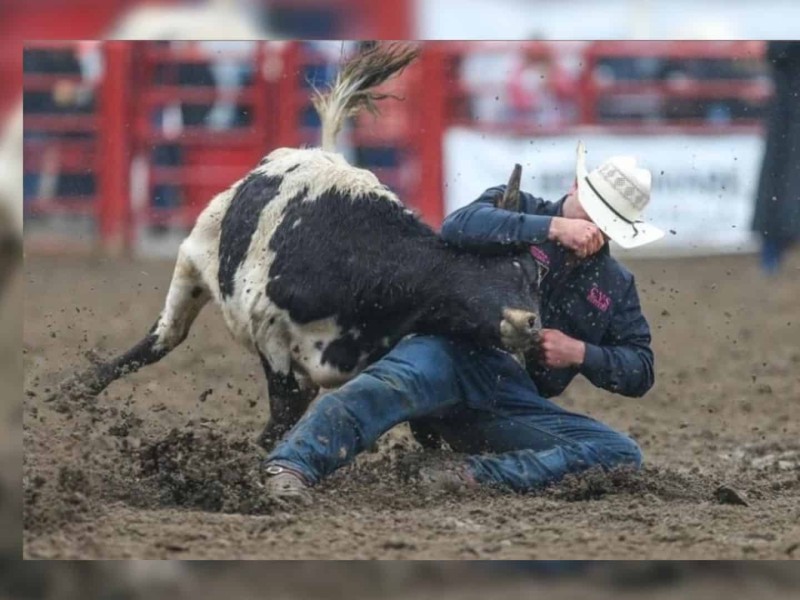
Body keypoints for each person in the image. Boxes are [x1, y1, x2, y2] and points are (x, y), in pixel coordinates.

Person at [262, 142, 664, 502]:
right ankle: (292, 465)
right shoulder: (518, 209)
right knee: (381, 389)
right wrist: (554, 228)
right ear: (575, 189)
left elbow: (639, 369)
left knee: (620, 453)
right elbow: (459, 225)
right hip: (450, 351)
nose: (594, 228)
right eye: (591, 212)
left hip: (509, 395)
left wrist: (580, 352)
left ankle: (468, 474)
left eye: (606, 223)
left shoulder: (615, 285)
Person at [752, 42, 800, 274]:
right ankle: (772, 254)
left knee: (778, 183)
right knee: (780, 182)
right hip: (787, 111)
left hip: (786, 109)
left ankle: (772, 254)